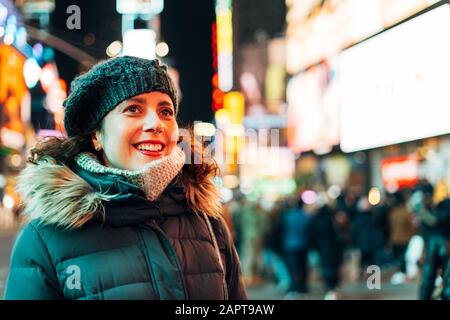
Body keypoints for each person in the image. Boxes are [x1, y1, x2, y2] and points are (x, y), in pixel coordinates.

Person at [4, 56, 247, 300]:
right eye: (133, 109)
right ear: (96, 135)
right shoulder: (44, 240)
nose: (156, 124)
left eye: (165, 111)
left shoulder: (207, 222)